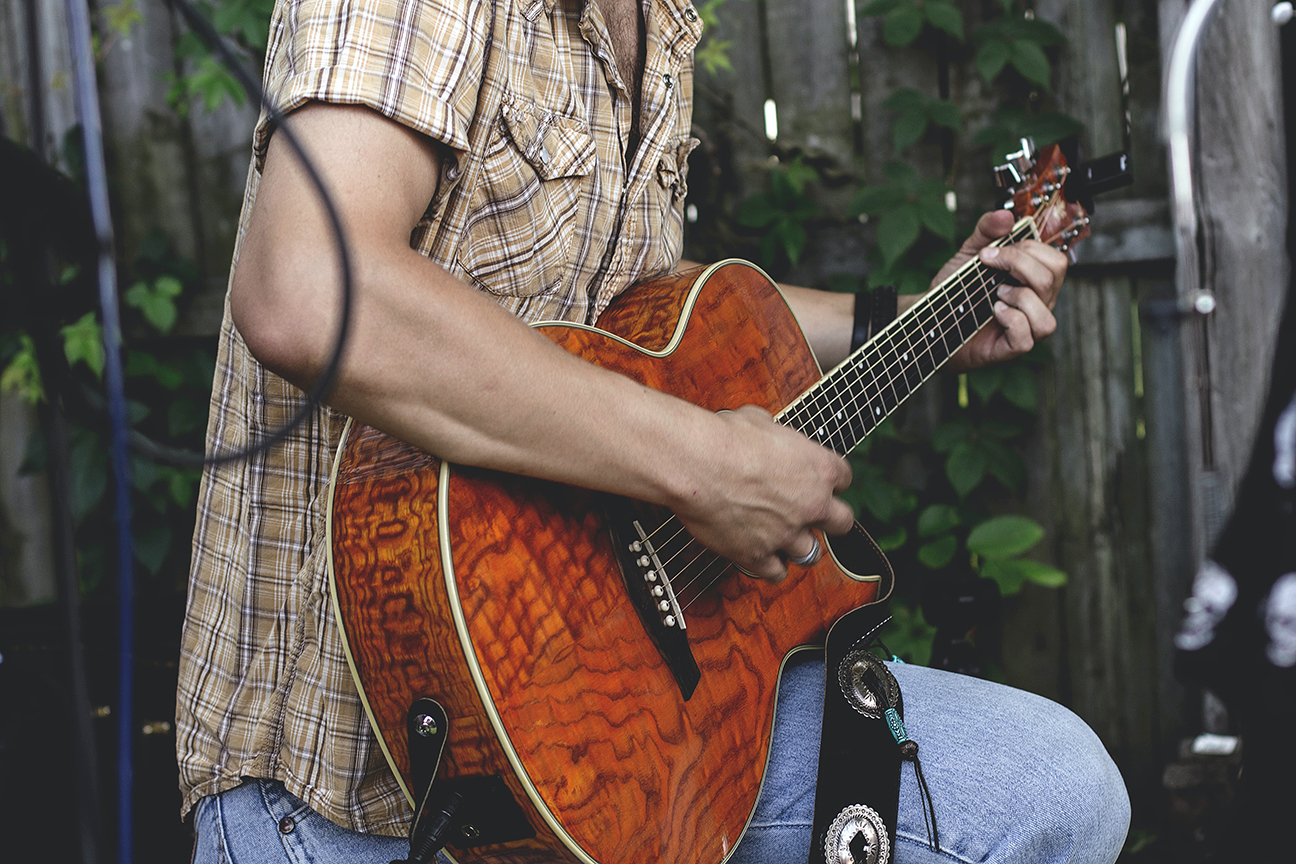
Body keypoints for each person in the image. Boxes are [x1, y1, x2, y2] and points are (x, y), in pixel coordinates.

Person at [176, 0, 1132, 861]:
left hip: (624, 706)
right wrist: (705, 467)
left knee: (1051, 790)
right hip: (362, 789)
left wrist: (920, 315)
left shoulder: (660, 22)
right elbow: (309, 290)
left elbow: (645, 336)